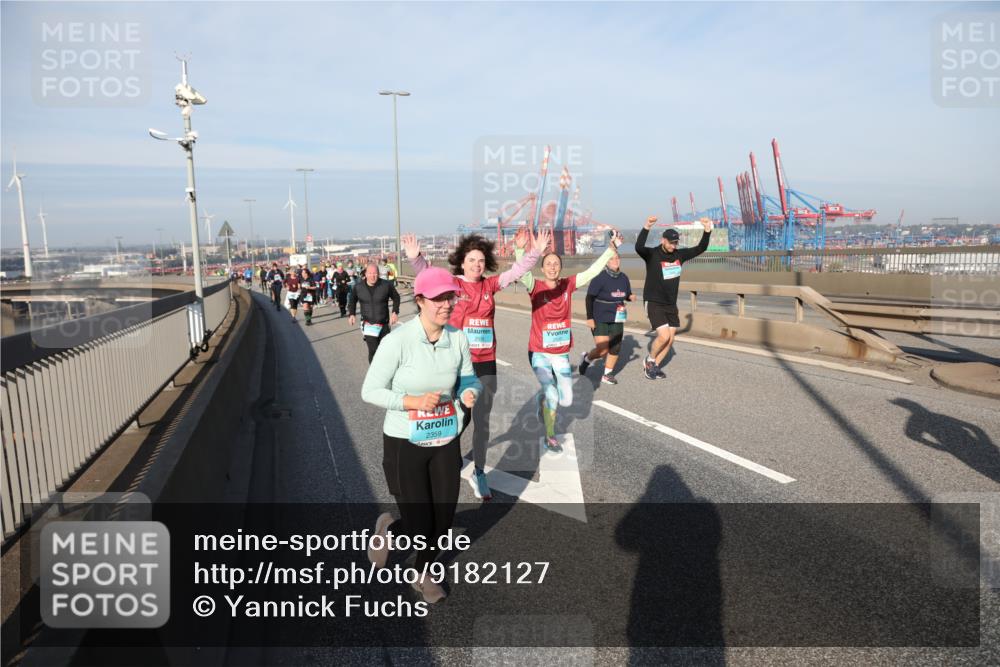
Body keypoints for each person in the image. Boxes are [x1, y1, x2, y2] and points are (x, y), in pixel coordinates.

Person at [361, 267, 481, 604]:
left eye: (450, 297)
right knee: (419, 525)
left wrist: (470, 393)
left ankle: (422, 572)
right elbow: (370, 390)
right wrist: (410, 401)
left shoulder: (457, 338)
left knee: (441, 523)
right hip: (404, 442)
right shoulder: (397, 341)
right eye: (439, 298)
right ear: (420, 301)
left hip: (445, 437)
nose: (447, 304)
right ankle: (389, 530)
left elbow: (469, 378)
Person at [404, 227, 546, 500]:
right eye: (472, 260)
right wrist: (415, 258)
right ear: (462, 262)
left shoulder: (490, 284)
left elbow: (516, 272)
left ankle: (479, 472)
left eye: (481, 261)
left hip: (485, 362)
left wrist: (535, 252)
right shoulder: (453, 283)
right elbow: (427, 275)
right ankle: (447, 458)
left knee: (482, 419)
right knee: (460, 417)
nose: (477, 265)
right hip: (456, 364)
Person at [517, 232, 622, 452]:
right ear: (543, 268)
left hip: (560, 353)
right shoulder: (534, 286)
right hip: (539, 352)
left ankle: (541, 400)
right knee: (553, 394)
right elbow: (521, 271)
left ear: (560, 267)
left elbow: (592, 271)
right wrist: (522, 250)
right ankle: (550, 435)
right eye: (548, 264)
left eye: (556, 264)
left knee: (565, 399)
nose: (553, 267)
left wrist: (610, 250)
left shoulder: (568, 285)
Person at [635, 216, 712, 379]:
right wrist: (647, 226)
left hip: (670, 303)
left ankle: (654, 366)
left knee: (670, 340)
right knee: (663, 336)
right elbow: (638, 247)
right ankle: (649, 360)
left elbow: (700, 248)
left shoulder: (679, 255)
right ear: (664, 240)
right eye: (671, 242)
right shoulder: (652, 254)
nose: (673, 245)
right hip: (654, 301)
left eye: (676, 243)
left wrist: (707, 230)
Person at [580, 249, 637, 384]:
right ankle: (587, 359)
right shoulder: (599, 278)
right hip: (599, 316)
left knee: (616, 347)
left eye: (617, 258)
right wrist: (589, 318)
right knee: (603, 349)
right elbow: (589, 298)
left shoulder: (624, 277)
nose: (615, 260)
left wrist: (630, 297)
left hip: (617, 316)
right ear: (606, 262)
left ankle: (607, 374)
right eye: (612, 259)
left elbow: (625, 294)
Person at [349, 263, 401, 362]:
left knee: (385, 350)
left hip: (384, 323)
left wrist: (395, 312)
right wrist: (352, 314)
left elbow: (396, 297)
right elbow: (352, 300)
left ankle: (385, 372)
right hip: (369, 324)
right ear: (366, 274)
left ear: (378, 274)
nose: (373, 276)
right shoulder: (358, 287)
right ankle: (374, 374)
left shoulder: (386, 285)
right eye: (370, 273)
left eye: (375, 273)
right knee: (373, 350)